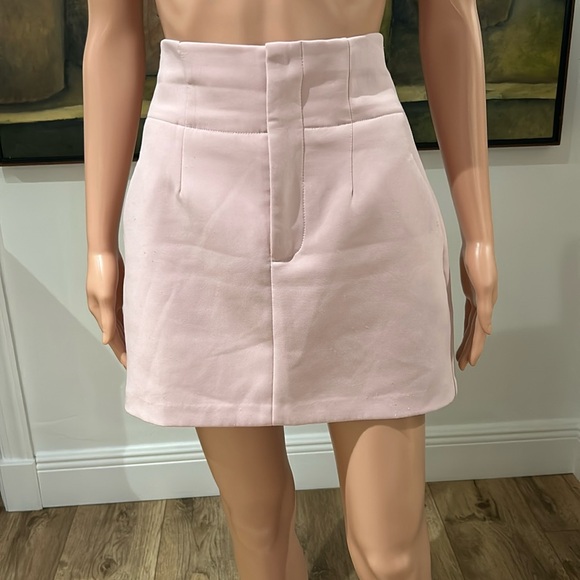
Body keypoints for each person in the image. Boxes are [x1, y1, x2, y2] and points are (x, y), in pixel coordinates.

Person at [82, 1, 498, 578]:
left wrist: (480, 234)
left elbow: (451, 13)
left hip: (364, 165)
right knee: (258, 528)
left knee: (391, 555)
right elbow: (110, 31)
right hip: (193, 175)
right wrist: (99, 245)